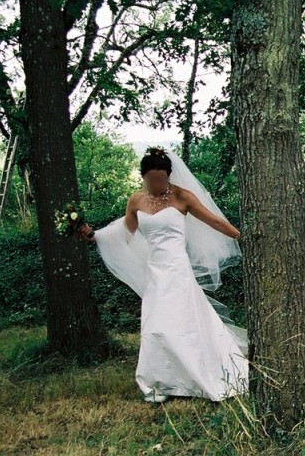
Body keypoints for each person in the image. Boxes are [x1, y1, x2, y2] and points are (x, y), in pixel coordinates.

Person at [80, 147, 247, 403]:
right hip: (155, 270)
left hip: (178, 269)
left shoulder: (182, 197)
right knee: (156, 325)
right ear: (143, 177)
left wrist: (241, 236)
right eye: (151, 180)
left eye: (161, 179)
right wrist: (95, 236)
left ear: (169, 176)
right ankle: (161, 381)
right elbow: (126, 231)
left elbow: (213, 221)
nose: (157, 184)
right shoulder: (136, 200)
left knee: (185, 323)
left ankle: (198, 376)